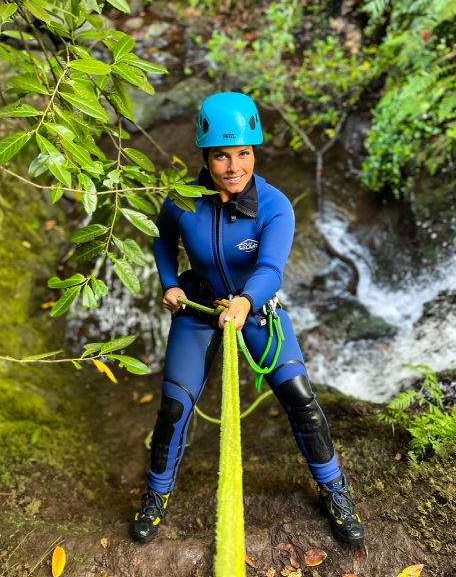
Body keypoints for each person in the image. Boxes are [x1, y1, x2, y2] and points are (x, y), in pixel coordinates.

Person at [131, 92, 364, 546]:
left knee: (300, 396)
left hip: (255, 311)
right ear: (205, 156)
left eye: (244, 153)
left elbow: (270, 269)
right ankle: (156, 496)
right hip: (199, 309)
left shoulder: (275, 206)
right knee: (173, 406)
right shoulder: (181, 200)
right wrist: (168, 282)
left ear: (253, 152)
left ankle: (335, 490)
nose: (234, 166)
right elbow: (162, 241)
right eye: (222, 155)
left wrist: (245, 303)